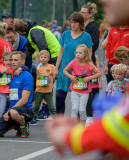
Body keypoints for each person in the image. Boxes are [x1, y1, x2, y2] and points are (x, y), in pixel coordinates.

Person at [46, 0, 129, 157]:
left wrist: (70, 136)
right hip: (67, 70)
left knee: (83, 103)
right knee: (61, 97)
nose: (104, 1)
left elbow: (120, 127)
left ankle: (83, 121)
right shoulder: (65, 35)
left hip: (82, 75)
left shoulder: (88, 34)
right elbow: (122, 125)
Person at [54, 12, 93, 114]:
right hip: (64, 70)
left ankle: (78, 126)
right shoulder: (66, 34)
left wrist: (90, 71)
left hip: (79, 72)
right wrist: (56, 68)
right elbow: (60, 52)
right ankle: (60, 122)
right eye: (71, 22)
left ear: (80, 23)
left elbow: (89, 56)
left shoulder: (86, 36)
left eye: (75, 22)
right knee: (59, 97)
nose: (73, 25)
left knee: (79, 103)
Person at [0, 51, 34, 138]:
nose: (12, 62)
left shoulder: (27, 76)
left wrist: (9, 111)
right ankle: (17, 126)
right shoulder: (12, 73)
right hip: (12, 110)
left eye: (16, 60)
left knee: (14, 113)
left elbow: (24, 99)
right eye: (11, 59)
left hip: (25, 110)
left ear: (22, 62)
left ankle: (24, 125)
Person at [63, 44, 101, 125]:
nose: (78, 54)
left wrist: (89, 78)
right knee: (74, 109)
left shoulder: (89, 64)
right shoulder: (73, 63)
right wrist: (71, 76)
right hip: (75, 90)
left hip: (85, 91)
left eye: (80, 53)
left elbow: (99, 73)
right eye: (76, 52)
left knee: (82, 110)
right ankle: (73, 127)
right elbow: (65, 71)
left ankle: (83, 127)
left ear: (85, 55)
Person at [0, 51, 28, 123]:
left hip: (4, 93)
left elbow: (26, 67)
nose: (8, 62)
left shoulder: (13, 69)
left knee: (1, 110)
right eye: (6, 60)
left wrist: (20, 69)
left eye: (10, 60)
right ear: (3, 60)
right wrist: (1, 72)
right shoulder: (0, 67)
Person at [30, 50, 57, 125]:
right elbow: (38, 78)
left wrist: (52, 84)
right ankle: (34, 119)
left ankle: (55, 120)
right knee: (36, 106)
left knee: (51, 106)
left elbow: (55, 76)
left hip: (48, 90)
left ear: (48, 59)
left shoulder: (51, 67)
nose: (43, 58)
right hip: (39, 90)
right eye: (41, 57)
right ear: (39, 58)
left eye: (45, 57)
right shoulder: (38, 68)